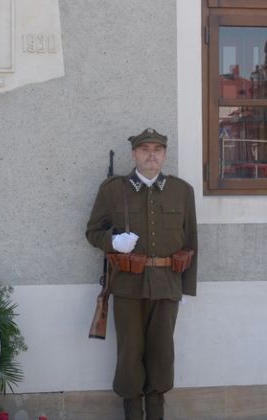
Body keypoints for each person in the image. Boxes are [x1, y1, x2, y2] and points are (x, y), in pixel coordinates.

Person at [85, 128, 197, 420]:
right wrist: (113, 241)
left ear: (165, 155)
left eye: (157, 150)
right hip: (127, 286)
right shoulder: (112, 190)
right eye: (144, 149)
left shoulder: (182, 191)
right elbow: (93, 231)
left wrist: (186, 288)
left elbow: (191, 243)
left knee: (162, 355)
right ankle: (133, 413)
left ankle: (156, 413)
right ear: (134, 154)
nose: (151, 155)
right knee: (129, 355)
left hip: (167, 285)